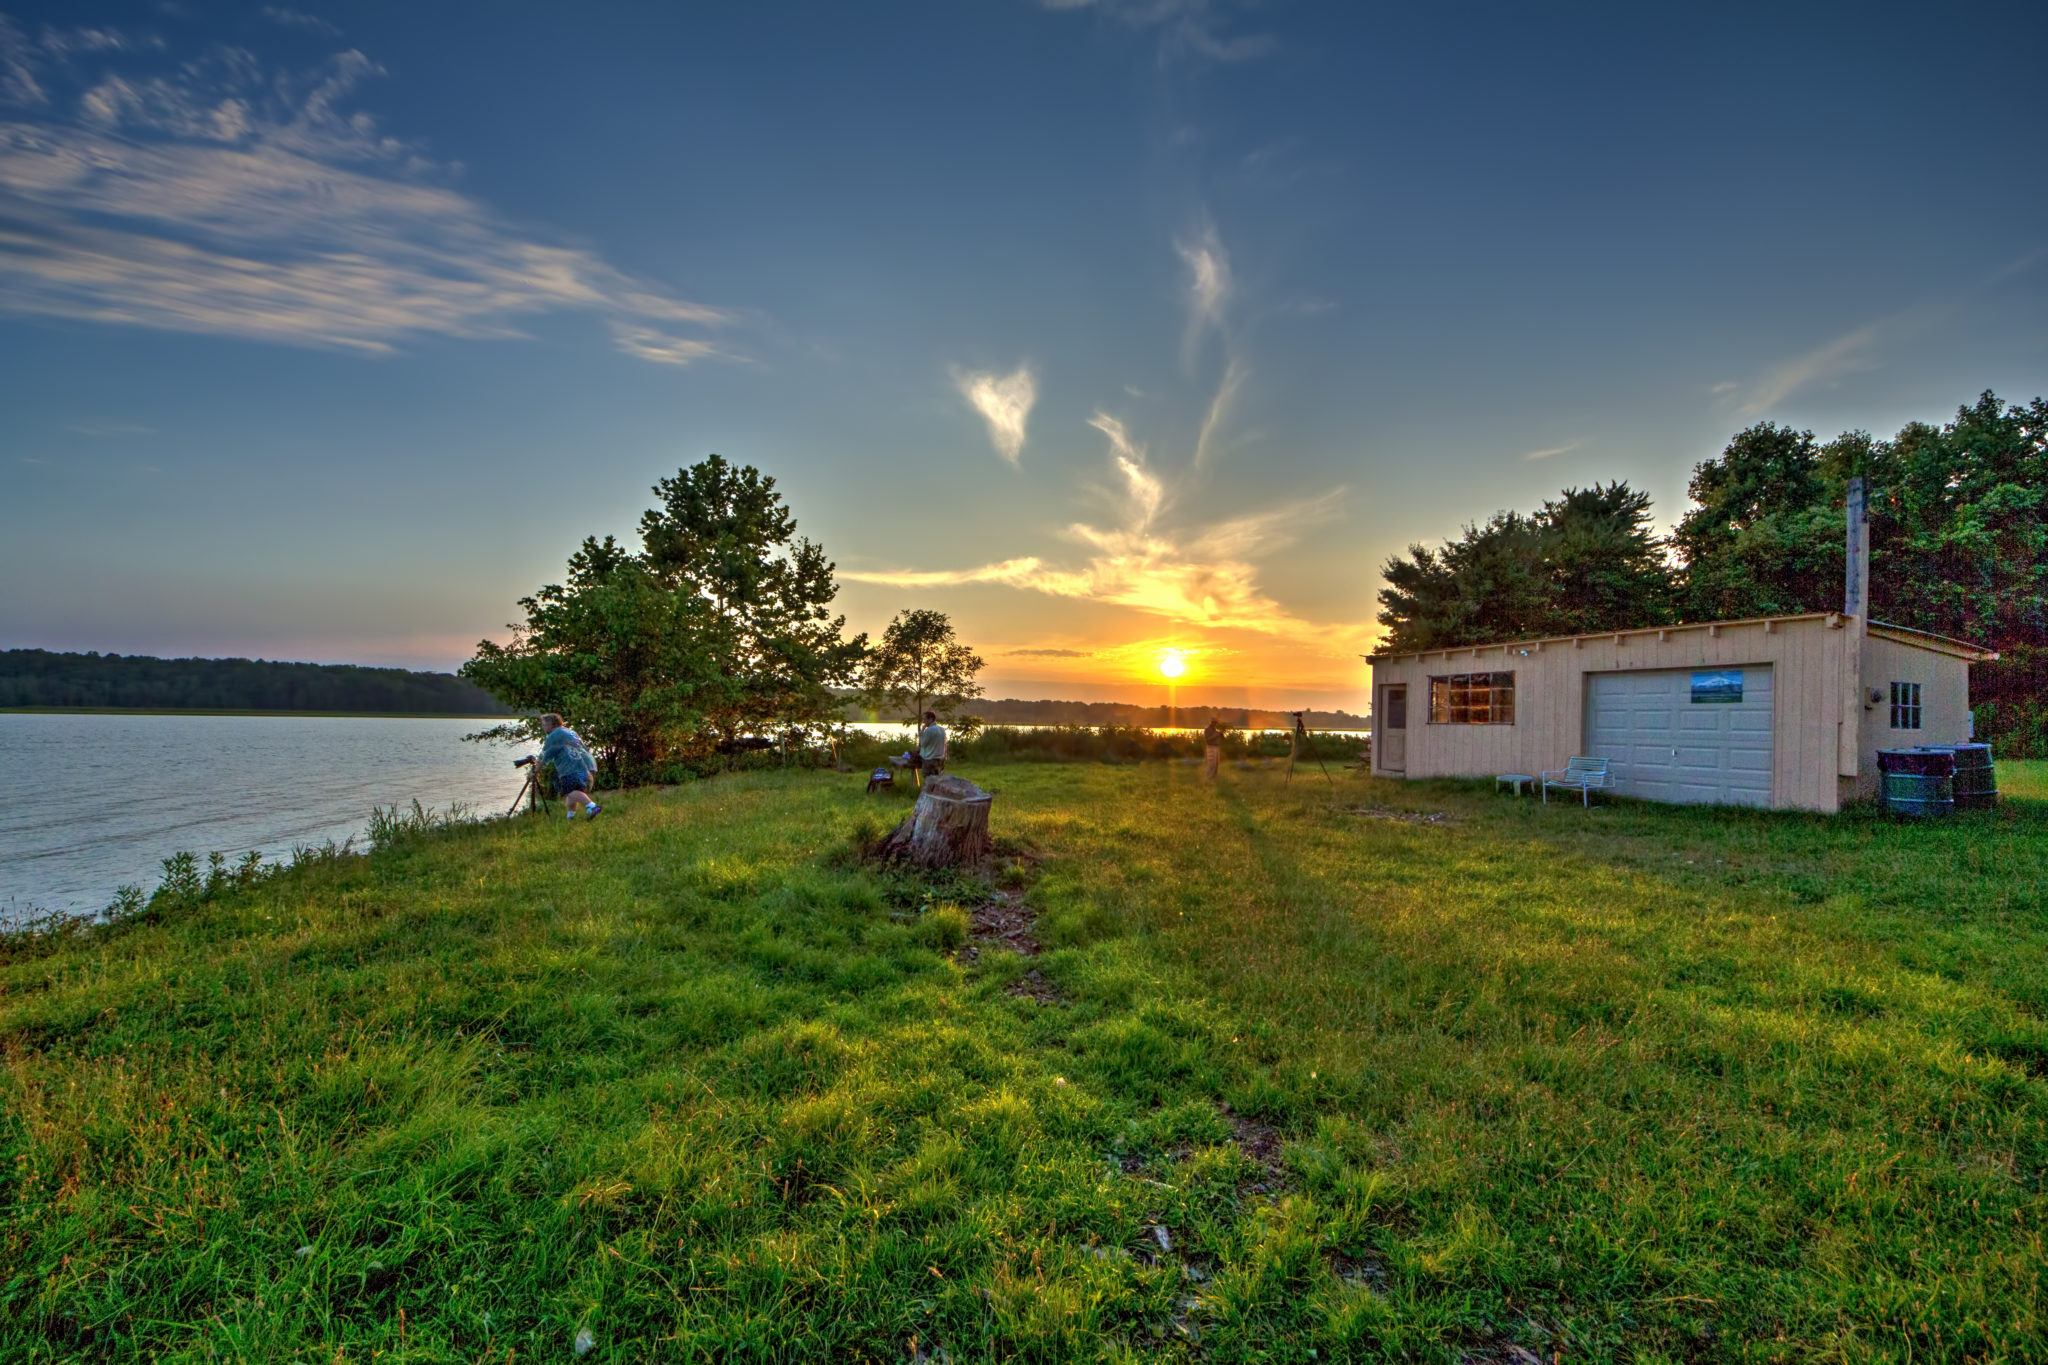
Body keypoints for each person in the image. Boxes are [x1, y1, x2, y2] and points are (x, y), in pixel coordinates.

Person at [538, 713, 601, 820]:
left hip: (573, 767)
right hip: (589, 765)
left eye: (544, 724)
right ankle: (570, 817)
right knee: (572, 794)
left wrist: (535, 771)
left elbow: (543, 757)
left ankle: (593, 806)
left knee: (570, 792)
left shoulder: (554, 735)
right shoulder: (570, 732)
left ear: (550, 724)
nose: (542, 727)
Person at [917, 709, 947, 783]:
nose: (923, 721)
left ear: (931, 719)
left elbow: (923, 744)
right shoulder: (942, 729)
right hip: (940, 758)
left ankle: (928, 793)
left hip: (930, 759)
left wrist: (921, 732)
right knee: (938, 778)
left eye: (925, 719)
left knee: (929, 780)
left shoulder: (929, 730)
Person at [1202, 716, 1225, 782]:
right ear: (1211, 722)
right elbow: (1207, 739)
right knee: (1211, 763)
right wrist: (1216, 735)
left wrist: (1221, 734)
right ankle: (1209, 777)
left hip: (1216, 747)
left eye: (1216, 722)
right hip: (1210, 747)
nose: (1215, 724)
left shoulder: (1215, 730)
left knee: (1216, 763)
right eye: (1214, 722)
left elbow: (1223, 739)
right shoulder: (1207, 729)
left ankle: (1214, 776)